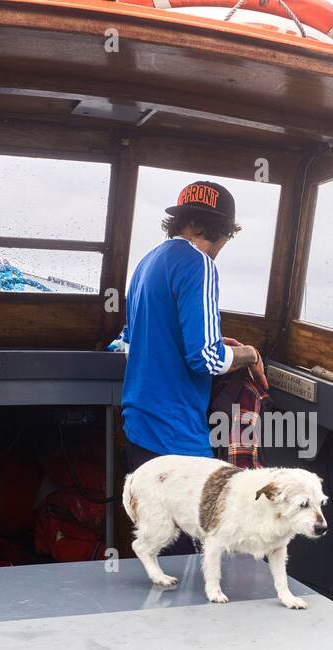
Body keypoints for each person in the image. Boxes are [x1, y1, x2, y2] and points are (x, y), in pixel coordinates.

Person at [118, 180, 266, 554]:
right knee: (197, 555)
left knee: (157, 546)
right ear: (220, 231)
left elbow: (129, 343)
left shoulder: (146, 263)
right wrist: (248, 354)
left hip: (138, 427)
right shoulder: (199, 264)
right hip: (177, 438)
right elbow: (206, 358)